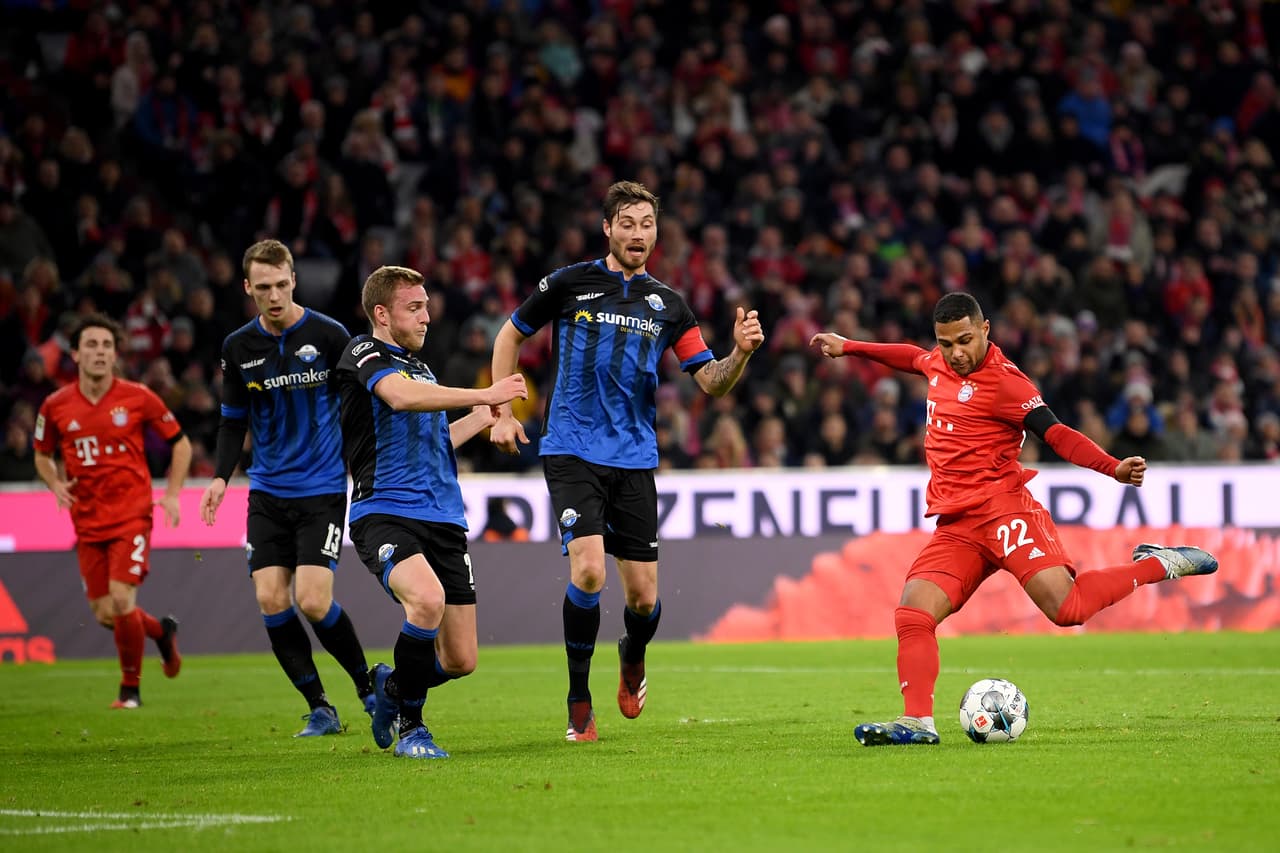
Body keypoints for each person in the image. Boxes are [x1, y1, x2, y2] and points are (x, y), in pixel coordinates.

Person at [809, 292, 1219, 746]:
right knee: (913, 613)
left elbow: (1058, 434)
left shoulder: (1009, 384)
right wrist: (850, 346)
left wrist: (1113, 467)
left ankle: (1159, 564)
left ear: (985, 330)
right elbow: (911, 357)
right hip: (959, 525)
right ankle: (917, 723)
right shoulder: (938, 363)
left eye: (965, 340)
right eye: (946, 344)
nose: (956, 353)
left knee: (1067, 610)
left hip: (1005, 510)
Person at [489, 180, 766, 742]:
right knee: (588, 569)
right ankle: (578, 703)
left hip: (634, 457)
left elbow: (710, 383)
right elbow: (507, 337)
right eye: (628, 223)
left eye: (647, 224)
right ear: (608, 229)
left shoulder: (670, 305)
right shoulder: (569, 284)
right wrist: (501, 409)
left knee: (643, 599)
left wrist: (740, 353)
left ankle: (632, 653)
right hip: (569, 448)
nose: (639, 234)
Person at [336, 265, 527, 759]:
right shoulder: (363, 352)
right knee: (426, 601)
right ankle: (413, 727)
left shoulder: (423, 370)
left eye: (426, 306)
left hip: (444, 517)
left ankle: (393, 687)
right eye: (414, 307)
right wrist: (485, 393)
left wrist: (482, 418)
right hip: (385, 511)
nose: (426, 317)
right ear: (382, 313)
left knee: (461, 659)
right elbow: (398, 400)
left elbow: (437, 440)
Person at [199, 239, 374, 738]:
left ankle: (366, 687)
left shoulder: (329, 334)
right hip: (268, 493)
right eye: (264, 287)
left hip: (320, 489)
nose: (274, 296)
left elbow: (360, 406)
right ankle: (320, 706)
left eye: (282, 285)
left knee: (314, 601)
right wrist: (219, 476)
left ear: (293, 281)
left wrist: (366, 468)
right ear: (248, 288)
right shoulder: (238, 348)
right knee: (272, 599)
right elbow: (233, 421)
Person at [33, 314, 190, 709]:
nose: (100, 353)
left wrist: (171, 494)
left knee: (122, 600)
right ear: (75, 353)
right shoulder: (55, 406)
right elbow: (41, 454)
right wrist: (54, 483)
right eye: (91, 345)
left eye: (107, 346)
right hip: (86, 520)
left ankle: (130, 691)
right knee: (106, 613)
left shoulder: (138, 397)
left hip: (132, 514)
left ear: (116, 353)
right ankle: (161, 632)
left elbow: (181, 444)